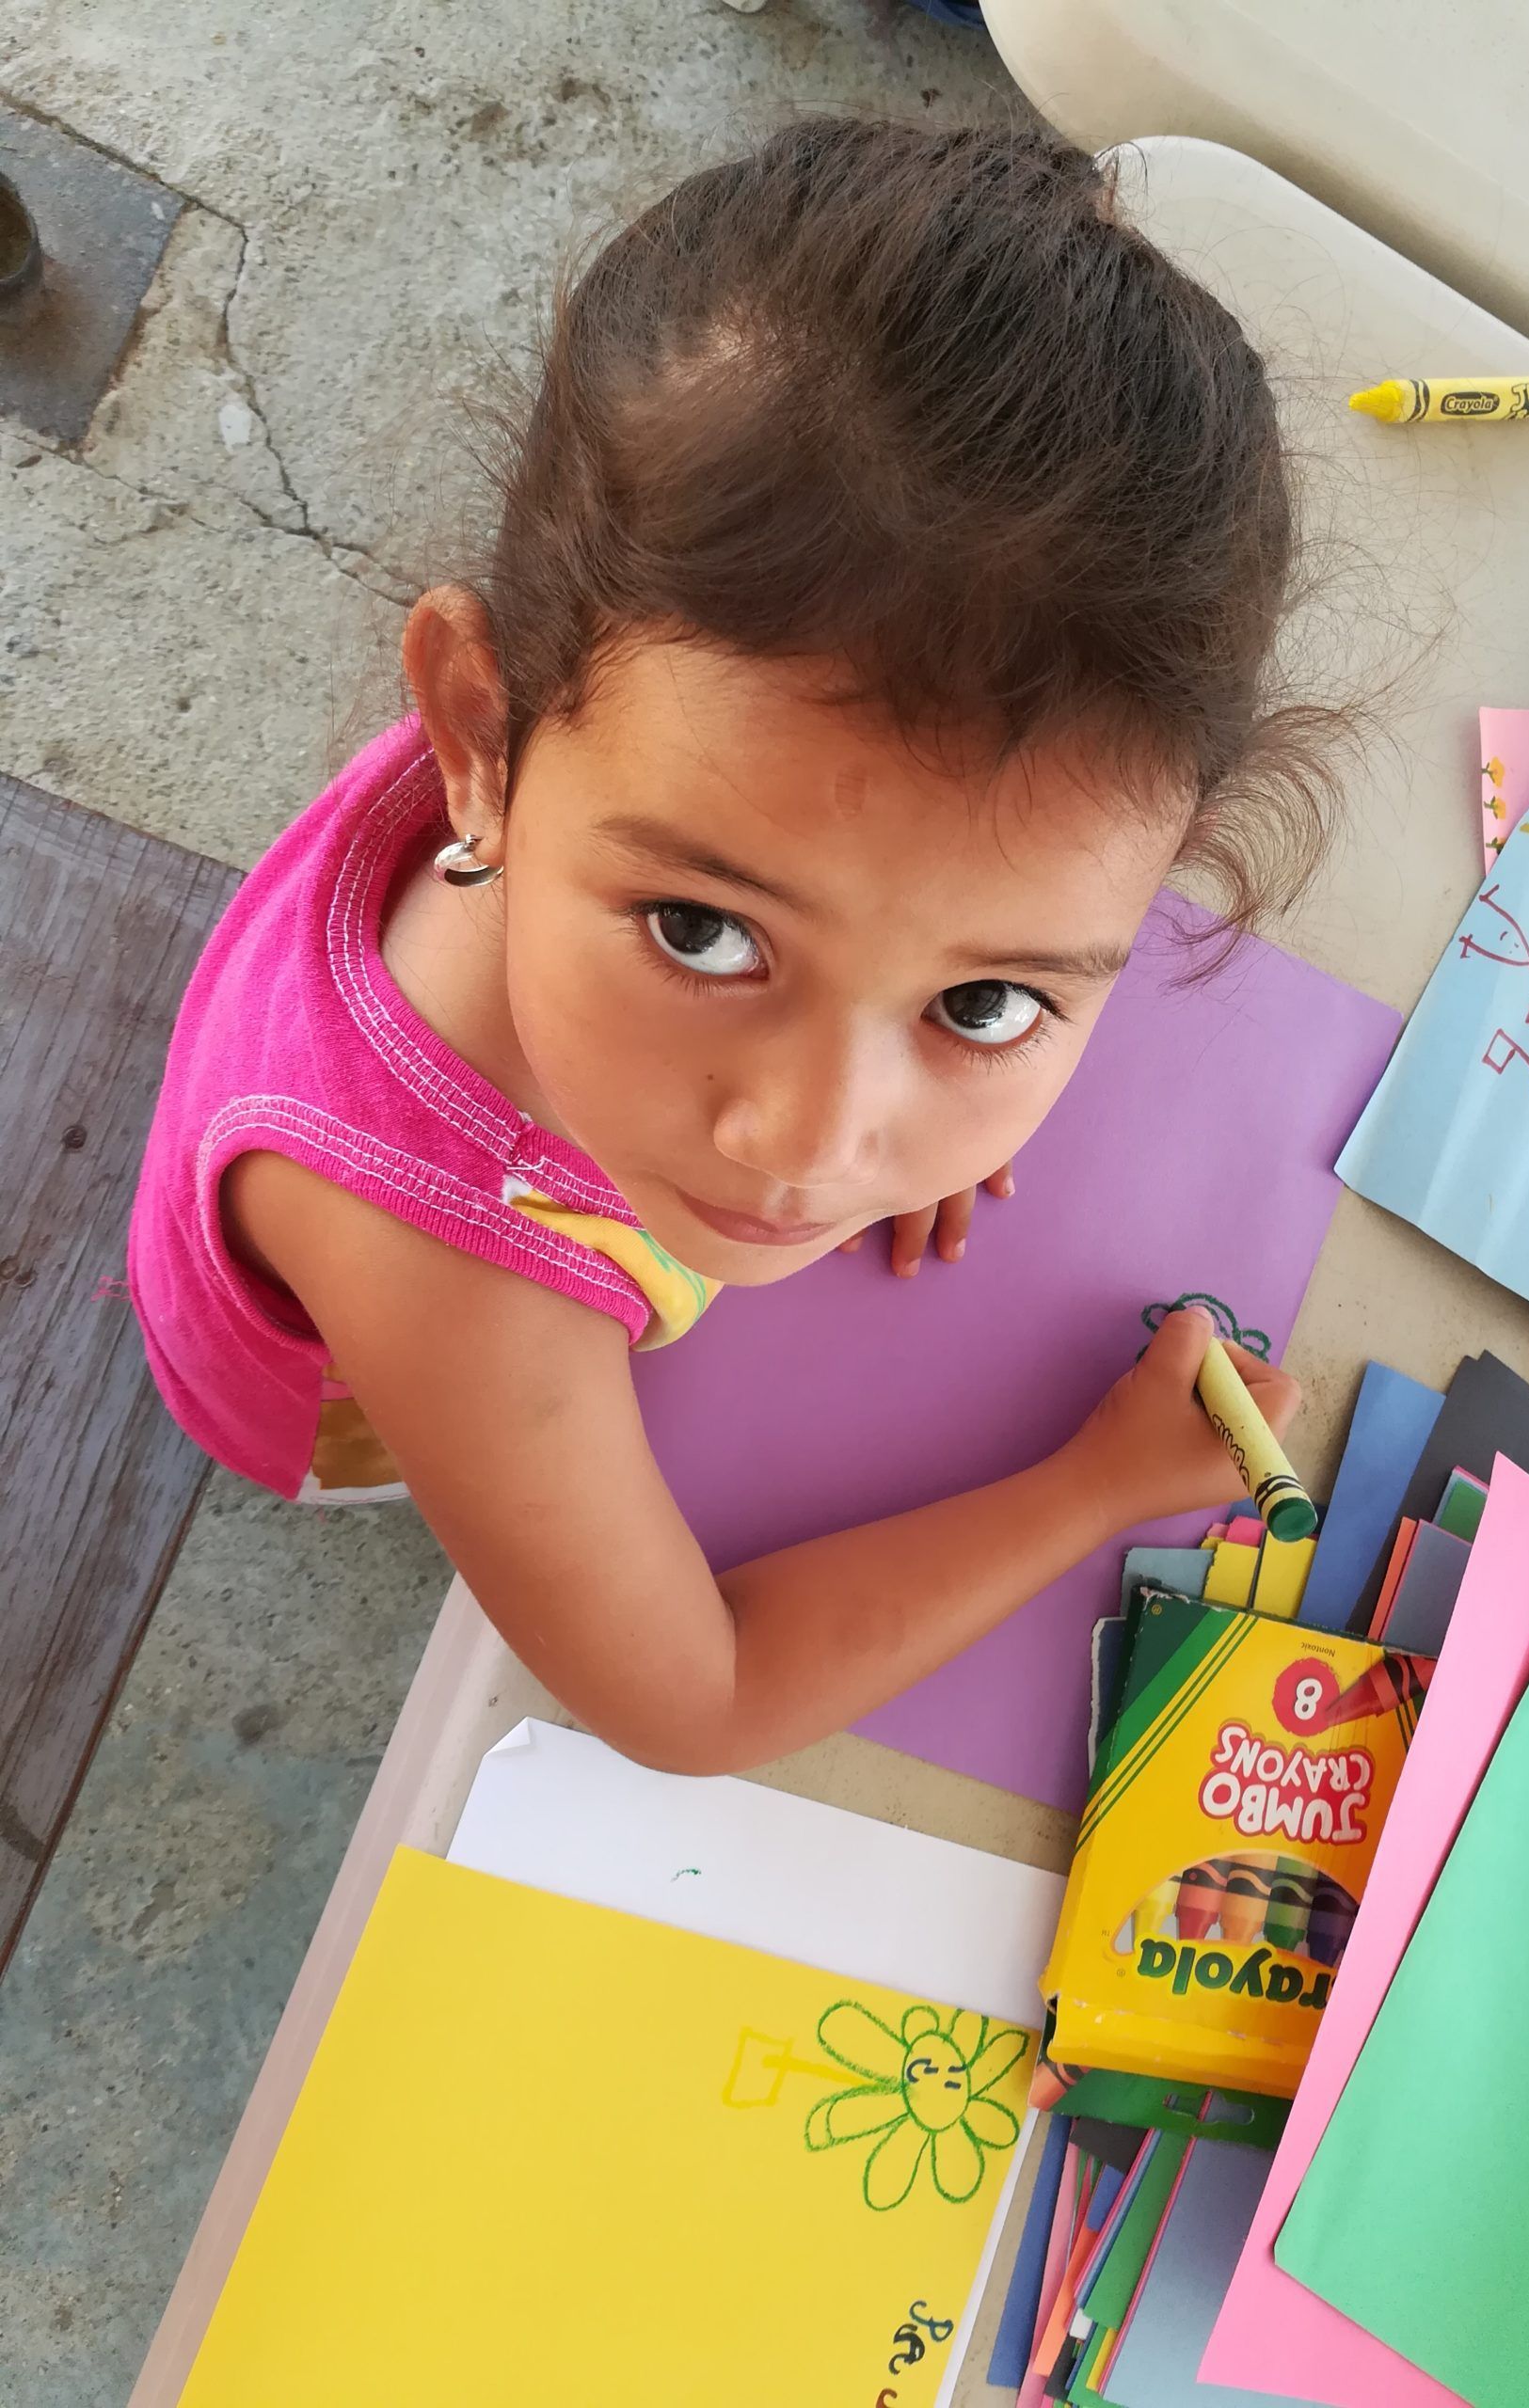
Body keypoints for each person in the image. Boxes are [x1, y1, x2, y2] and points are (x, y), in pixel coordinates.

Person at [130, 119, 1325, 1774]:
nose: (812, 1147)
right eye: (704, 932)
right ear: (483, 732)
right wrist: (1097, 1488)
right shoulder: (452, 1273)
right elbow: (692, 1701)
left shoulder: (631, 751)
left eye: (982, 997)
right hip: (344, 1393)